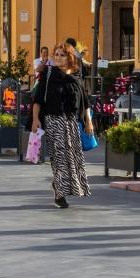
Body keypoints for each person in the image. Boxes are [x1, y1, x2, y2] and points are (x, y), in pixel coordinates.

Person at [30, 42, 90, 209]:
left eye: (62, 55)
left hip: (71, 121)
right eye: (56, 54)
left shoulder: (76, 75)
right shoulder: (48, 74)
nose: (58, 57)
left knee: (72, 158)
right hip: (53, 120)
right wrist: (35, 119)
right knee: (59, 158)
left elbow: (85, 101)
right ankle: (59, 194)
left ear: (69, 57)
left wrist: (89, 122)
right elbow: (38, 99)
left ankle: (59, 185)